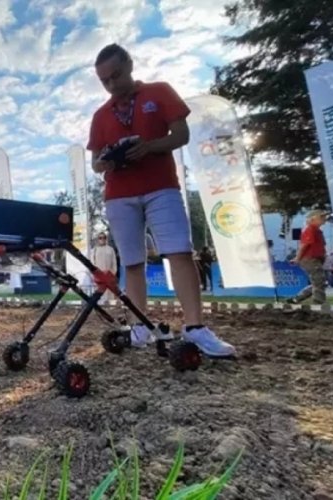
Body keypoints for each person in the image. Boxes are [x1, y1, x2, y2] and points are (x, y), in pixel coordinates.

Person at [86, 43, 235, 357]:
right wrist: (106, 162)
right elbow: (95, 160)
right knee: (132, 262)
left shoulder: (159, 92)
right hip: (119, 194)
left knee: (179, 252)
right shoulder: (100, 116)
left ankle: (195, 328)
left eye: (116, 76)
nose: (112, 85)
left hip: (161, 187)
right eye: (105, 81)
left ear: (129, 65)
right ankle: (141, 326)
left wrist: (149, 147)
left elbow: (181, 135)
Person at [288, 211, 328, 304]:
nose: (324, 219)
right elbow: (304, 245)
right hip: (310, 259)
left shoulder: (317, 231)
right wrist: (297, 258)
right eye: (321, 217)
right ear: (312, 219)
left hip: (316, 259)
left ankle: (297, 298)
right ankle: (319, 302)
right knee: (319, 280)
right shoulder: (310, 229)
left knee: (320, 282)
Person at [90, 232, 118, 302]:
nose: (102, 239)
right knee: (99, 294)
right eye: (100, 238)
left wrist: (112, 274)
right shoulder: (94, 250)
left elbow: (114, 263)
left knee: (110, 295)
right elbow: (92, 263)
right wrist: (94, 275)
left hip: (109, 275)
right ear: (97, 239)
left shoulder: (110, 249)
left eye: (104, 237)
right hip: (99, 276)